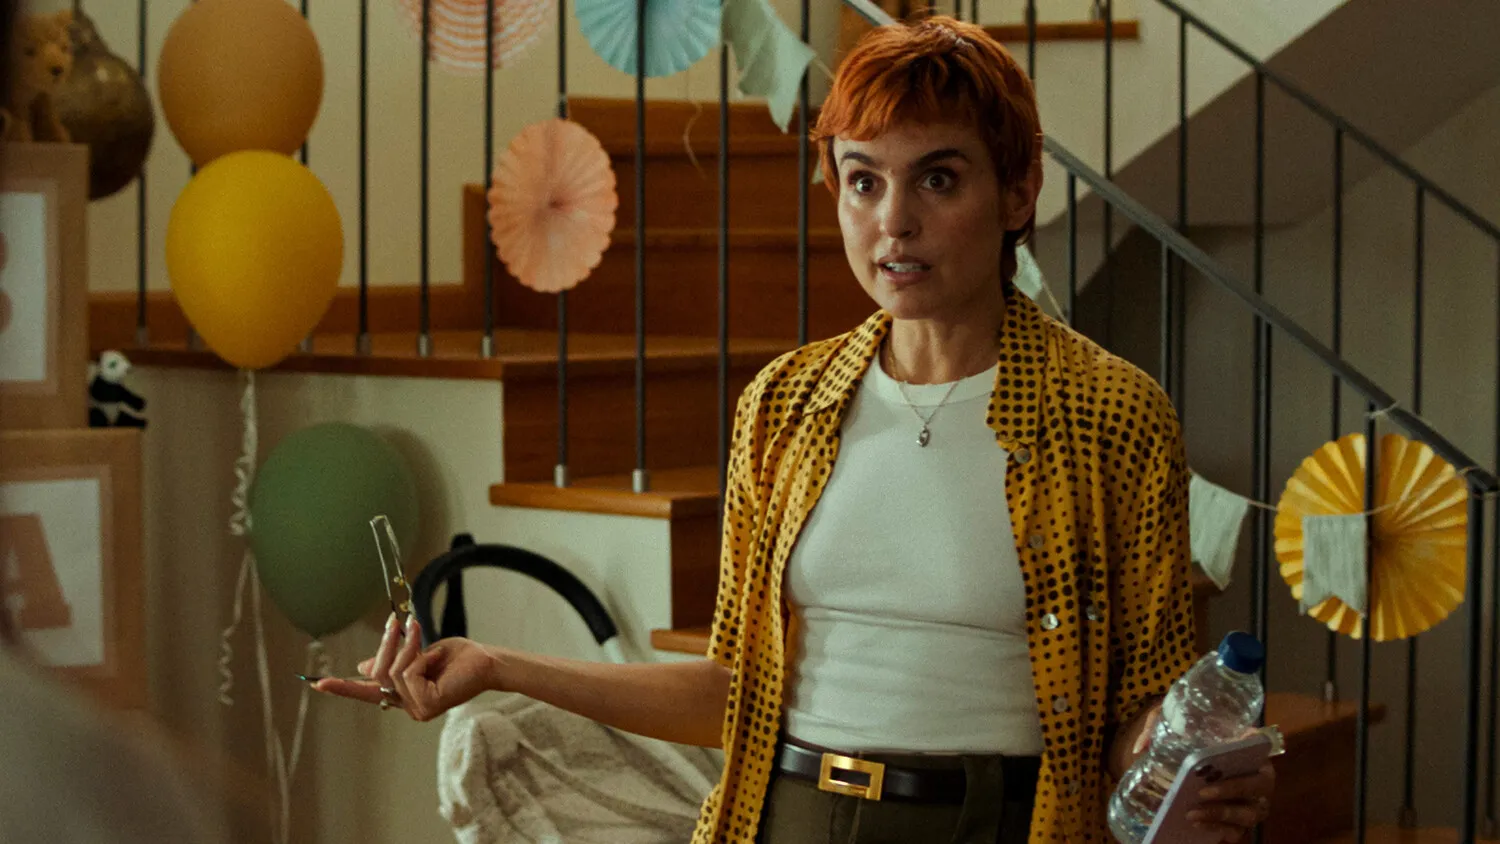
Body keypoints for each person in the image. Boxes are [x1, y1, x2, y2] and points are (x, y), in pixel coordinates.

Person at [317, 15, 1276, 844]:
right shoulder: (785, 404)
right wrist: (496, 665)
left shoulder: (1109, 413)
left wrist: (1196, 763)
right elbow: (734, 690)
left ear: (1018, 192)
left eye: (938, 180)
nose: (893, 222)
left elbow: (1146, 710)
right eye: (863, 181)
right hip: (787, 817)